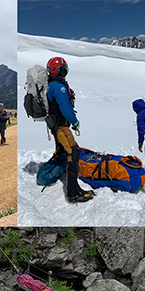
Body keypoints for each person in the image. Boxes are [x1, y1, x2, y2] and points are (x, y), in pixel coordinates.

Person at [46, 56, 94, 203]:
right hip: (61, 126)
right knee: (73, 151)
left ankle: (57, 174)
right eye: (63, 69)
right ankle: (73, 193)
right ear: (56, 71)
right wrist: (75, 122)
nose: (65, 71)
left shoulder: (53, 84)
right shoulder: (58, 87)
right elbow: (66, 109)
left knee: (63, 150)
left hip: (55, 124)